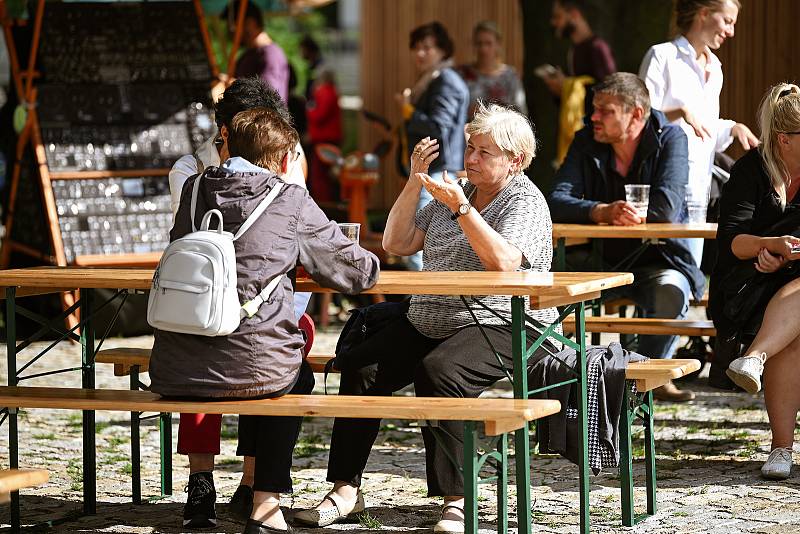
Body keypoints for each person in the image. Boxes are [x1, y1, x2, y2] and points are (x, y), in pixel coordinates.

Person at [294, 102, 558, 534]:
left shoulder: (523, 200)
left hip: (502, 323)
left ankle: (458, 499)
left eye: (484, 152)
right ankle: (345, 490)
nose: (471, 158)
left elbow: (505, 263)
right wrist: (414, 183)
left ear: (516, 160)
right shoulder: (457, 191)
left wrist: (462, 211)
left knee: (439, 372)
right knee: (359, 363)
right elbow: (398, 243)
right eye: (470, 148)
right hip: (431, 318)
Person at [150, 107, 380, 533]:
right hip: (254, 367)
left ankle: (213, 491)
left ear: (228, 146)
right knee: (294, 376)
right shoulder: (289, 199)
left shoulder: (195, 188)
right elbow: (354, 273)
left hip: (179, 362)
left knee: (276, 365)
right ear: (285, 159)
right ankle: (264, 504)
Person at [167, 77, 309, 528]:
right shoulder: (191, 171)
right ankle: (202, 480)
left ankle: (252, 479)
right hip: (206, 300)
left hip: (264, 301)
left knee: (277, 339)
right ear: (227, 130)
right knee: (212, 342)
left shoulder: (288, 158)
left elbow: (300, 222)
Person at [548, 72, 702, 402]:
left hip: (659, 259)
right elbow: (557, 200)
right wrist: (602, 211)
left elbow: (667, 207)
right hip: (601, 261)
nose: (594, 117)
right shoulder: (586, 139)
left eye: (605, 110)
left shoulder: (671, 138)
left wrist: (628, 214)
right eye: (594, 109)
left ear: (635, 114)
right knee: (548, 287)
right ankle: (564, 380)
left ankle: (644, 378)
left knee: (672, 290)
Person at [710, 84, 800, 479]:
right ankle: (782, 448)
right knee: (793, 334)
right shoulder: (749, 171)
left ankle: (754, 359)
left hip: (792, 285)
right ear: (785, 140)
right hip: (747, 289)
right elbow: (732, 240)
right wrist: (768, 246)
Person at [639, 0, 758, 266]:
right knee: (668, 276)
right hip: (665, 187)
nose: (731, 32)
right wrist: (679, 111)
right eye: (727, 21)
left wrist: (732, 128)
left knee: (690, 269)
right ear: (704, 14)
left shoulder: (715, 67)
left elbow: (705, 133)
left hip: (698, 188)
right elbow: (641, 120)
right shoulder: (662, 56)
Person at [395, 21, 469, 271]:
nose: (420, 53)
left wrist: (408, 112)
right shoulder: (435, 79)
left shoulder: (444, 80)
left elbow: (439, 127)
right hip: (436, 169)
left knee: (418, 242)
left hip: (438, 171)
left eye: (427, 47)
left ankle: (422, 304)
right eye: (416, 47)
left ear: (443, 50)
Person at [544, 0, 616, 163]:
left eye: (558, 16)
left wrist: (569, 85)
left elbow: (610, 92)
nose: (554, 22)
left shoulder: (598, 48)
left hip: (597, 137)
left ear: (574, 14)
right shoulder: (574, 50)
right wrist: (561, 90)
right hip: (579, 135)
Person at [456, 21, 527, 117]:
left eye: (488, 43)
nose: (483, 49)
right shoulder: (462, 74)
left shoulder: (509, 76)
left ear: (498, 45)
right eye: (479, 43)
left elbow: (520, 111)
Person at [223, 1, 289, 102]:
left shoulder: (270, 55)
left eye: (232, 26)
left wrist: (231, 86)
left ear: (250, 23)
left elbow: (269, 99)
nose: (230, 32)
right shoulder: (247, 55)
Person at [304, 39, 342, 203]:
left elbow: (318, 115)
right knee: (327, 176)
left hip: (324, 139)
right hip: (328, 137)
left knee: (320, 178)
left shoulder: (325, 91)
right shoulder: (330, 90)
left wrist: (308, 109)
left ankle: (324, 205)